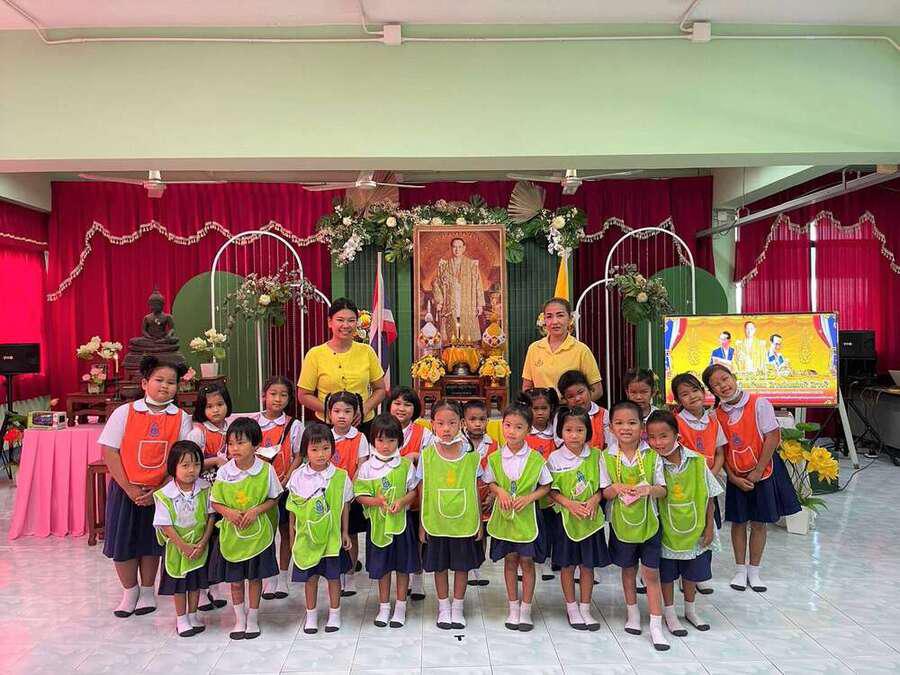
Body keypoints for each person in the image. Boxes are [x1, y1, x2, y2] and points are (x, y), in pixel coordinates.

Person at [99, 355, 193, 619]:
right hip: (125, 490)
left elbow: (182, 458)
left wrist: (161, 489)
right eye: (159, 380)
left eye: (171, 382)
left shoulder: (181, 418)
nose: (165, 386)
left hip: (161, 492)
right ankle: (130, 591)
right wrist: (129, 488)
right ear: (144, 383)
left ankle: (148, 590)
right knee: (123, 543)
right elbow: (110, 451)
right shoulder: (124, 412)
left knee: (151, 542)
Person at [703, 364, 801, 593]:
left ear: (734, 377)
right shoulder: (715, 415)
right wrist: (733, 477)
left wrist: (758, 471)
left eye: (725, 379)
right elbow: (720, 451)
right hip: (736, 476)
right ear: (712, 391)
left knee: (759, 523)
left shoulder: (759, 403)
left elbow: (772, 437)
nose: (723, 386)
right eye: (716, 385)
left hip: (763, 473)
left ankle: (754, 572)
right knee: (738, 523)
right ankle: (740, 570)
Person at [645, 411, 722, 636]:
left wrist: (709, 527)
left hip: (695, 528)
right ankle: (670, 614)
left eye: (663, 436)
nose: (658, 443)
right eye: (652, 437)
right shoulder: (652, 463)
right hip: (666, 529)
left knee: (691, 573)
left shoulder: (697, 460)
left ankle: (690, 610)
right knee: (667, 574)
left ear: (676, 435)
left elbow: (710, 495)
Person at [602, 401, 669, 651]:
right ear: (611, 428)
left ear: (642, 426)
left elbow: (662, 490)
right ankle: (633, 614)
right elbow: (605, 492)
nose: (626, 428)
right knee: (628, 570)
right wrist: (615, 488)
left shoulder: (652, 455)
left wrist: (648, 490)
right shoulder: (606, 456)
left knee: (651, 573)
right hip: (621, 524)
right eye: (619, 423)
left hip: (650, 523)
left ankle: (656, 624)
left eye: (632, 422)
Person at [209, 418, 281, 640]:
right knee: (236, 580)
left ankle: (253, 618)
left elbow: (274, 498)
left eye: (240, 443)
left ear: (256, 444)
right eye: (230, 444)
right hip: (233, 536)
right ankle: (239, 619)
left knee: (255, 578)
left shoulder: (266, 470)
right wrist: (228, 513)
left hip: (257, 535)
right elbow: (215, 501)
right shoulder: (224, 472)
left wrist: (256, 510)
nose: (234, 449)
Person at [417, 400, 485, 630]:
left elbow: (475, 489)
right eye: (440, 423)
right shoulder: (427, 455)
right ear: (432, 424)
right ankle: (443, 607)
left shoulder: (471, 456)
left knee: (462, 565)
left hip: (464, 520)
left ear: (461, 424)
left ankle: (458, 607)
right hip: (436, 520)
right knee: (440, 566)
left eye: (452, 423)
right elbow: (423, 489)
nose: (446, 428)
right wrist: (422, 523)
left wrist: (479, 522)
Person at [484, 404, 552, 631]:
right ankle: (513, 607)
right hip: (505, 519)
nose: (511, 431)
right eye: (507, 425)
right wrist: (499, 492)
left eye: (518, 427)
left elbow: (546, 486)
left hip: (527, 519)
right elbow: (491, 482)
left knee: (527, 562)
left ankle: (526, 609)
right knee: (510, 561)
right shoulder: (495, 457)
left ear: (529, 430)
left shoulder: (536, 459)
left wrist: (530, 497)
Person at [286, 423, 353, 634]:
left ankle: (335, 614)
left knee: (334, 577)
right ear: (305, 451)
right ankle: (311, 615)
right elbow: (292, 510)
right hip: (307, 539)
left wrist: (345, 532)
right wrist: (292, 537)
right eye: (314, 449)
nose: (320, 454)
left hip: (332, 538)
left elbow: (345, 505)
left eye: (325, 448)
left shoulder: (341, 476)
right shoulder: (297, 476)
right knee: (310, 578)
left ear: (332, 448)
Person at [354, 414, 420, 628]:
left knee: (402, 567)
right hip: (378, 526)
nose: (385, 445)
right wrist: (376, 501)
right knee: (382, 568)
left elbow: (413, 491)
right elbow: (359, 495)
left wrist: (401, 502)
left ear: (399, 440)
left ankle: (400, 607)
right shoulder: (367, 468)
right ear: (373, 440)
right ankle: (384, 607)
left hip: (402, 525)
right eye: (380, 440)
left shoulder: (405, 465)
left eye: (391, 440)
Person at [547, 406, 609, 632]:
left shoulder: (596, 456)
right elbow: (551, 490)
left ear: (588, 432)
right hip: (565, 520)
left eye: (580, 430)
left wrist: (594, 500)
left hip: (590, 521)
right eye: (568, 430)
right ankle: (571, 607)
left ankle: (585, 607)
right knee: (567, 565)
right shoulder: (554, 458)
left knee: (587, 565)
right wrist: (569, 504)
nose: (574, 435)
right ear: (560, 432)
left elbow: (603, 487)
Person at [153, 441, 216, 637]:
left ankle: (193, 615)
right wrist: (184, 546)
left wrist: (203, 542)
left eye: (196, 464)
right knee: (179, 585)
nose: (191, 470)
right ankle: (181, 619)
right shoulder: (164, 495)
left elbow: (211, 517)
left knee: (195, 583)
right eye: (185, 465)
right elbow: (165, 525)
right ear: (173, 467)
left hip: (199, 546)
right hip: (177, 548)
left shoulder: (205, 488)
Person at [297, 297, 386, 430]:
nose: (346, 325)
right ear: (330, 322)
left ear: (357, 323)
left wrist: (364, 409)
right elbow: (303, 395)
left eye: (351, 320)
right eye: (340, 320)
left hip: (362, 424)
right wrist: (331, 412)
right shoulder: (315, 354)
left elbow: (380, 389)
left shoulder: (367, 351)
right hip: (326, 426)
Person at [251, 376, 303, 601]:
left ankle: (282, 576)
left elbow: (299, 455)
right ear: (264, 395)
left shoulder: (294, 425)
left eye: (283, 395)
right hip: (259, 490)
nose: (277, 399)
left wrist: (286, 479)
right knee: (265, 533)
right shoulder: (253, 422)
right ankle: (269, 577)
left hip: (284, 488)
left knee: (285, 531)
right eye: (273, 394)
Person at [186, 382, 233, 611]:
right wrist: (214, 461)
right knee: (203, 538)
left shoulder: (231, 429)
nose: (215, 410)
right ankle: (201, 589)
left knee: (218, 540)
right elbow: (188, 463)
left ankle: (215, 585)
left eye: (220, 404)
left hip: (226, 494)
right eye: (209, 406)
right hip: (203, 493)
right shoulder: (198, 432)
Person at [387, 386, 433, 599]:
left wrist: (416, 455)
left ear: (415, 409)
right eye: (397, 403)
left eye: (407, 404)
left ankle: (418, 579)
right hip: (389, 500)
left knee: (417, 540)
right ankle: (400, 581)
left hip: (415, 498)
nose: (401, 408)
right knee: (395, 543)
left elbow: (433, 458)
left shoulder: (424, 433)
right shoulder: (382, 429)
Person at [325, 390, 370, 596]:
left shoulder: (360, 437)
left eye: (347, 411)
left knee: (350, 534)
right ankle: (337, 575)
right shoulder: (325, 436)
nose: (342, 416)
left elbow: (362, 465)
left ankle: (350, 576)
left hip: (351, 497)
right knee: (333, 535)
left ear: (355, 414)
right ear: (329, 413)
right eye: (337, 411)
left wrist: (349, 491)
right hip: (328, 496)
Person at [518, 387, 561, 581]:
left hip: (550, 490)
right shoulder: (524, 434)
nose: (540, 413)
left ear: (551, 408)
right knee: (527, 527)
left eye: (544, 408)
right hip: (529, 491)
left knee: (549, 528)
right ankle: (525, 563)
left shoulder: (556, 435)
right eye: (535, 408)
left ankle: (546, 562)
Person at [522, 298, 603, 400]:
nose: (555, 321)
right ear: (544, 320)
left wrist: (575, 403)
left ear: (569, 319)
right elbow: (527, 387)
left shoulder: (581, 350)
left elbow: (597, 390)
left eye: (560, 315)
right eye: (549, 316)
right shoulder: (534, 348)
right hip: (542, 408)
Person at [462, 399, 497, 587]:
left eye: (482, 419)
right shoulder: (458, 444)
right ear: (464, 422)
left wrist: (493, 495)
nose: (477, 424)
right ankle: (467, 568)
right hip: (464, 497)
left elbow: (499, 472)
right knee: (466, 533)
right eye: (472, 419)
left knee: (481, 534)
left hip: (486, 497)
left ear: (488, 421)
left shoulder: (494, 445)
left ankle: (478, 567)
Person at [431, 237, 486, 344]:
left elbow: (478, 285)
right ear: (451, 248)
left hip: (468, 302)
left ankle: (467, 351)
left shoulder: (472, 265)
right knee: (451, 334)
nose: (457, 250)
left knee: (467, 335)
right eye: (454, 247)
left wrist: (479, 304)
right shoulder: (444, 265)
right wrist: (439, 301)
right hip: (450, 303)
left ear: (464, 248)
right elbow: (436, 283)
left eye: (460, 247)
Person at [559, 369, 610, 449]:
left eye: (581, 392)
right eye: (570, 396)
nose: (577, 399)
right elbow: (560, 443)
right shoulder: (562, 416)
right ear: (565, 400)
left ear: (590, 389)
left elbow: (609, 444)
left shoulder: (604, 414)